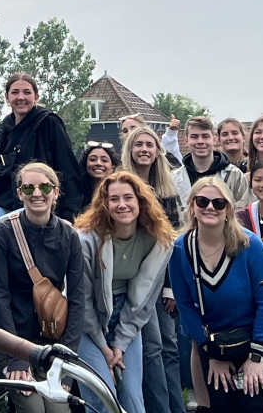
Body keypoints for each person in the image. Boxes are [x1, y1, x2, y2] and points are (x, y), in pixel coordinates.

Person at [0, 162, 94, 413]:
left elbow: (78, 298)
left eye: (45, 186)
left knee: (59, 410)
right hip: (14, 337)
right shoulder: (3, 231)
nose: (37, 193)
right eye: (29, 187)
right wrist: (14, 358)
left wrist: (67, 365)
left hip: (53, 340)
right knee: (33, 408)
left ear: (56, 192)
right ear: (19, 193)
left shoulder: (69, 236)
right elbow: (0, 295)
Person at [168, 178, 263, 413]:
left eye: (218, 203)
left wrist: (256, 358)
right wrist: (212, 354)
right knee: (221, 406)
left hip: (254, 340)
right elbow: (185, 305)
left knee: (251, 405)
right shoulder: (180, 249)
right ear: (192, 206)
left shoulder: (250, 244)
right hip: (214, 344)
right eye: (202, 201)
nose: (210, 207)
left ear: (228, 209)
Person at [76, 171, 176, 413]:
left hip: (126, 317)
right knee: (102, 393)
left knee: (132, 395)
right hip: (87, 321)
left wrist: (119, 345)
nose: (122, 205)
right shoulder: (87, 240)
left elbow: (144, 301)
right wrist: (104, 348)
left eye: (128, 198)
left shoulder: (157, 241)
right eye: (114, 199)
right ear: (104, 204)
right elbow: (82, 300)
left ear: (140, 201)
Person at [121, 126, 186, 413]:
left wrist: (171, 286)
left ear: (158, 151)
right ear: (130, 150)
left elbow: (171, 242)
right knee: (152, 347)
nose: (145, 149)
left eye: (150, 144)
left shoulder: (167, 192)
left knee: (169, 347)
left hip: (162, 278)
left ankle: (175, 406)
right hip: (134, 279)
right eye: (139, 144)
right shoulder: (121, 188)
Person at [0, 73, 83, 218]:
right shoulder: (4, 131)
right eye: (15, 92)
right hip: (7, 206)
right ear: (7, 98)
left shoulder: (48, 123)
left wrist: (69, 214)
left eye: (27, 92)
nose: (21, 97)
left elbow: (68, 168)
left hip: (40, 208)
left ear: (36, 97)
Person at [177, 116, 250, 205]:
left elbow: (243, 212)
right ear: (186, 141)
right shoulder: (175, 178)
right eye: (194, 137)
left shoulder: (235, 176)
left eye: (205, 136)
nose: (200, 141)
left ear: (214, 139)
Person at [69, 141, 119, 219]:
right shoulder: (76, 194)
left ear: (112, 167)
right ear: (85, 165)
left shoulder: (118, 193)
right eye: (92, 159)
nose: (98, 163)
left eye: (104, 160)